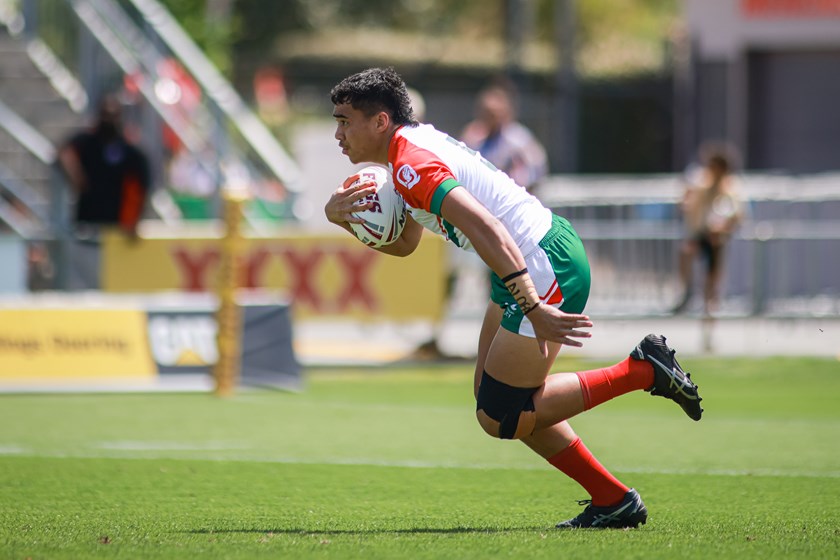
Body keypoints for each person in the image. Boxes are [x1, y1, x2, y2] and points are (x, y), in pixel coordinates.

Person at [324, 67, 703, 529]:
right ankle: (612, 498)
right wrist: (343, 218)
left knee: (501, 415)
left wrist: (531, 304)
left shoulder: (410, 162)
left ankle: (643, 369)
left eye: (345, 120)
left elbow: (487, 227)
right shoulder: (404, 153)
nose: (338, 133)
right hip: (528, 260)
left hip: (542, 262)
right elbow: (404, 243)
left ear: (380, 121)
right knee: (499, 403)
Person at [412, 81, 549, 360]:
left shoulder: (519, 141)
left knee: (498, 281)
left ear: (507, 112)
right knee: (448, 280)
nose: (488, 116)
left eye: (493, 111)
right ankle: (436, 334)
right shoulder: (473, 135)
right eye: (484, 110)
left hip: (500, 224)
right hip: (466, 223)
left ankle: (501, 340)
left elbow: (535, 174)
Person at [57, 94, 151, 238]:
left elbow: (140, 185)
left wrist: (132, 220)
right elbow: (65, 153)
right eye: (106, 114)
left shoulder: (128, 150)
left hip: (116, 227)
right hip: (87, 224)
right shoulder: (88, 142)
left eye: (113, 115)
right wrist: (77, 177)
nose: (109, 120)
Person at [672, 143, 745, 318]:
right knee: (686, 252)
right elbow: (686, 201)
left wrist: (723, 226)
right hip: (700, 234)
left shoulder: (731, 188)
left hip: (717, 240)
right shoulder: (701, 182)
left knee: (712, 283)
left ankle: (709, 314)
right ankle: (688, 290)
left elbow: (737, 215)